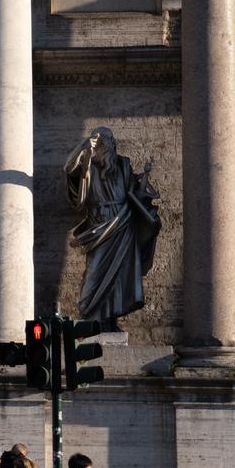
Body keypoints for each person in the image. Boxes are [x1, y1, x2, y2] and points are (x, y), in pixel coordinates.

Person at [64, 126, 161, 330]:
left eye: (105, 144)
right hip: (99, 224)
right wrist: (82, 149)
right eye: (97, 145)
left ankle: (109, 320)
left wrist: (144, 195)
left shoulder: (123, 165)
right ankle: (89, 314)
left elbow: (136, 191)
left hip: (123, 222)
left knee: (121, 274)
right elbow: (69, 170)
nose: (104, 148)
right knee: (95, 271)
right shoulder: (89, 167)